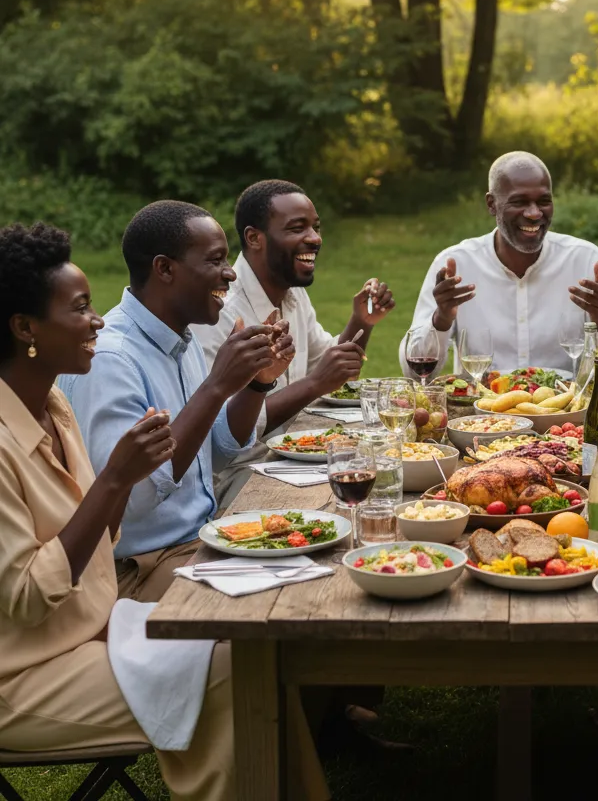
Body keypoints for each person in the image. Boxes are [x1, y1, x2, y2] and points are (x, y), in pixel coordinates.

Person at [0, 222, 234, 801]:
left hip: (95, 629)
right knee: (234, 670)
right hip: (23, 676)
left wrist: (114, 485)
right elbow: (27, 597)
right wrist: (114, 479)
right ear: (25, 327)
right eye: (80, 308)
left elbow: (99, 540)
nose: (98, 321)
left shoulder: (53, 404)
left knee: (245, 645)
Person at [60, 201, 287, 603]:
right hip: (139, 569)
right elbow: (134, 499)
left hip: (198, 540)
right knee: (282, 605)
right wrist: (217, 386)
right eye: (215, 260)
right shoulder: (111, 360)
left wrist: (255, 385)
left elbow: (214, 455)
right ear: (165, 269)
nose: (231, 272)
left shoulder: (180, 339)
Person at [193, 179, 393, 506]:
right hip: (237, 477)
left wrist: (362, 322)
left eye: (315, 227)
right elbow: (226, 436)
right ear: (254, 238)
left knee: (384, 472)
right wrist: (314, 384)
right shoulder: (220, 310)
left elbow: (326, 363)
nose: (314, 238)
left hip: (294, 462)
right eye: (297, 228)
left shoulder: (292, 291)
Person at [401, 151, 598, 377]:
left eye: (543, 201)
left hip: (565, 414)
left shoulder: (586, 261)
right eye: (519, 202)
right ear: (492, 204)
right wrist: (441, 319)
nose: (534, 213)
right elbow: (414, 373)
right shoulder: (455, 265)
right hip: (480, 416)